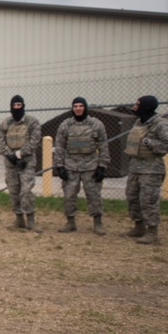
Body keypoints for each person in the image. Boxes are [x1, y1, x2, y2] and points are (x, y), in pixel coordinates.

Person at [123, 95, 168, 245]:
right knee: (132, 197)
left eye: (137, 104)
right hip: (135, 167)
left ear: (146, 107)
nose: (134, 106)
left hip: (151, 169)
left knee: (148, 200)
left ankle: (152, 231)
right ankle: (139, 227)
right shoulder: (139, 122)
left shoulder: (160, 124)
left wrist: (149, 141)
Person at [53, 97, 110, 235]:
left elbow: (103, 146)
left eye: (80, 106)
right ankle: (70, 222)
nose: (78, 108)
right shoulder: (65, 125)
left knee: (94, 195)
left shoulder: (96, 124)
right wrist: (59, 165)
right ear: (72, 108)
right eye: (75, 106)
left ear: (85, 107)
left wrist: (102, 166)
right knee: (69, 195)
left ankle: (98, 223)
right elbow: (59, 146)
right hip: (71, 166)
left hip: (90, 165)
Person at [0, 95, 41, 231]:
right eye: (14, 105)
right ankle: (19, 219)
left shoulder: (32, 122)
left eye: (19, 105)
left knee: (26, 191)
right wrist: (11, 155)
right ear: (11, 107)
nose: (17, 108)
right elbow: (2, 142)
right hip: (11, 163)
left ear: (23, 106)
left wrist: (20, 154)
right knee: (13, 191)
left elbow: (34, 141)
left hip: (26, 162)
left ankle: (30, 219)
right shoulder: (5, 124)